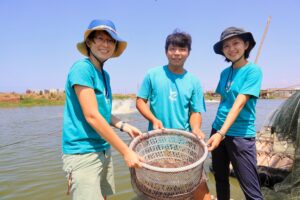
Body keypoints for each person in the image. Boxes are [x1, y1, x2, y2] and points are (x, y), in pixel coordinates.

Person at [62, 19, 144, 200]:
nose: (105, 44)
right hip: (83, 152)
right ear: (89, 42)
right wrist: (126, 151)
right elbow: (92, 116)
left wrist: (123, 125)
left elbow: (102, 112)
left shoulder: (104, 75)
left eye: (110, 41)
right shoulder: (82, 69)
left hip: (103, 149)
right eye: (100, 38)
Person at [136, 30, 211, 200]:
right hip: (156, 144)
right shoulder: (152, 75)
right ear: (166, 51)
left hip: (185, 143)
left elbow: (195, 111)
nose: (177, 53)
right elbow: (140, 101)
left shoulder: (194, 81)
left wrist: (196, 128)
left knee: (201, 188)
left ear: (188, 52)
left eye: (182, 49)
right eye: (172, 49)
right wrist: (153, 119)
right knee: (160, 190)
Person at [207, 27, 263, 200]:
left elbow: (238, 105)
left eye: (236, 43)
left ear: (246, 45)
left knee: (251, 189)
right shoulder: (224, 73)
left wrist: (221, 133)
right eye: (226, 46)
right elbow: (224, 101)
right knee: (220, 179)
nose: (231, 49)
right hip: (217, 130)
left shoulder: (253, 71)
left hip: (240, 136)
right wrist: (218, 131)